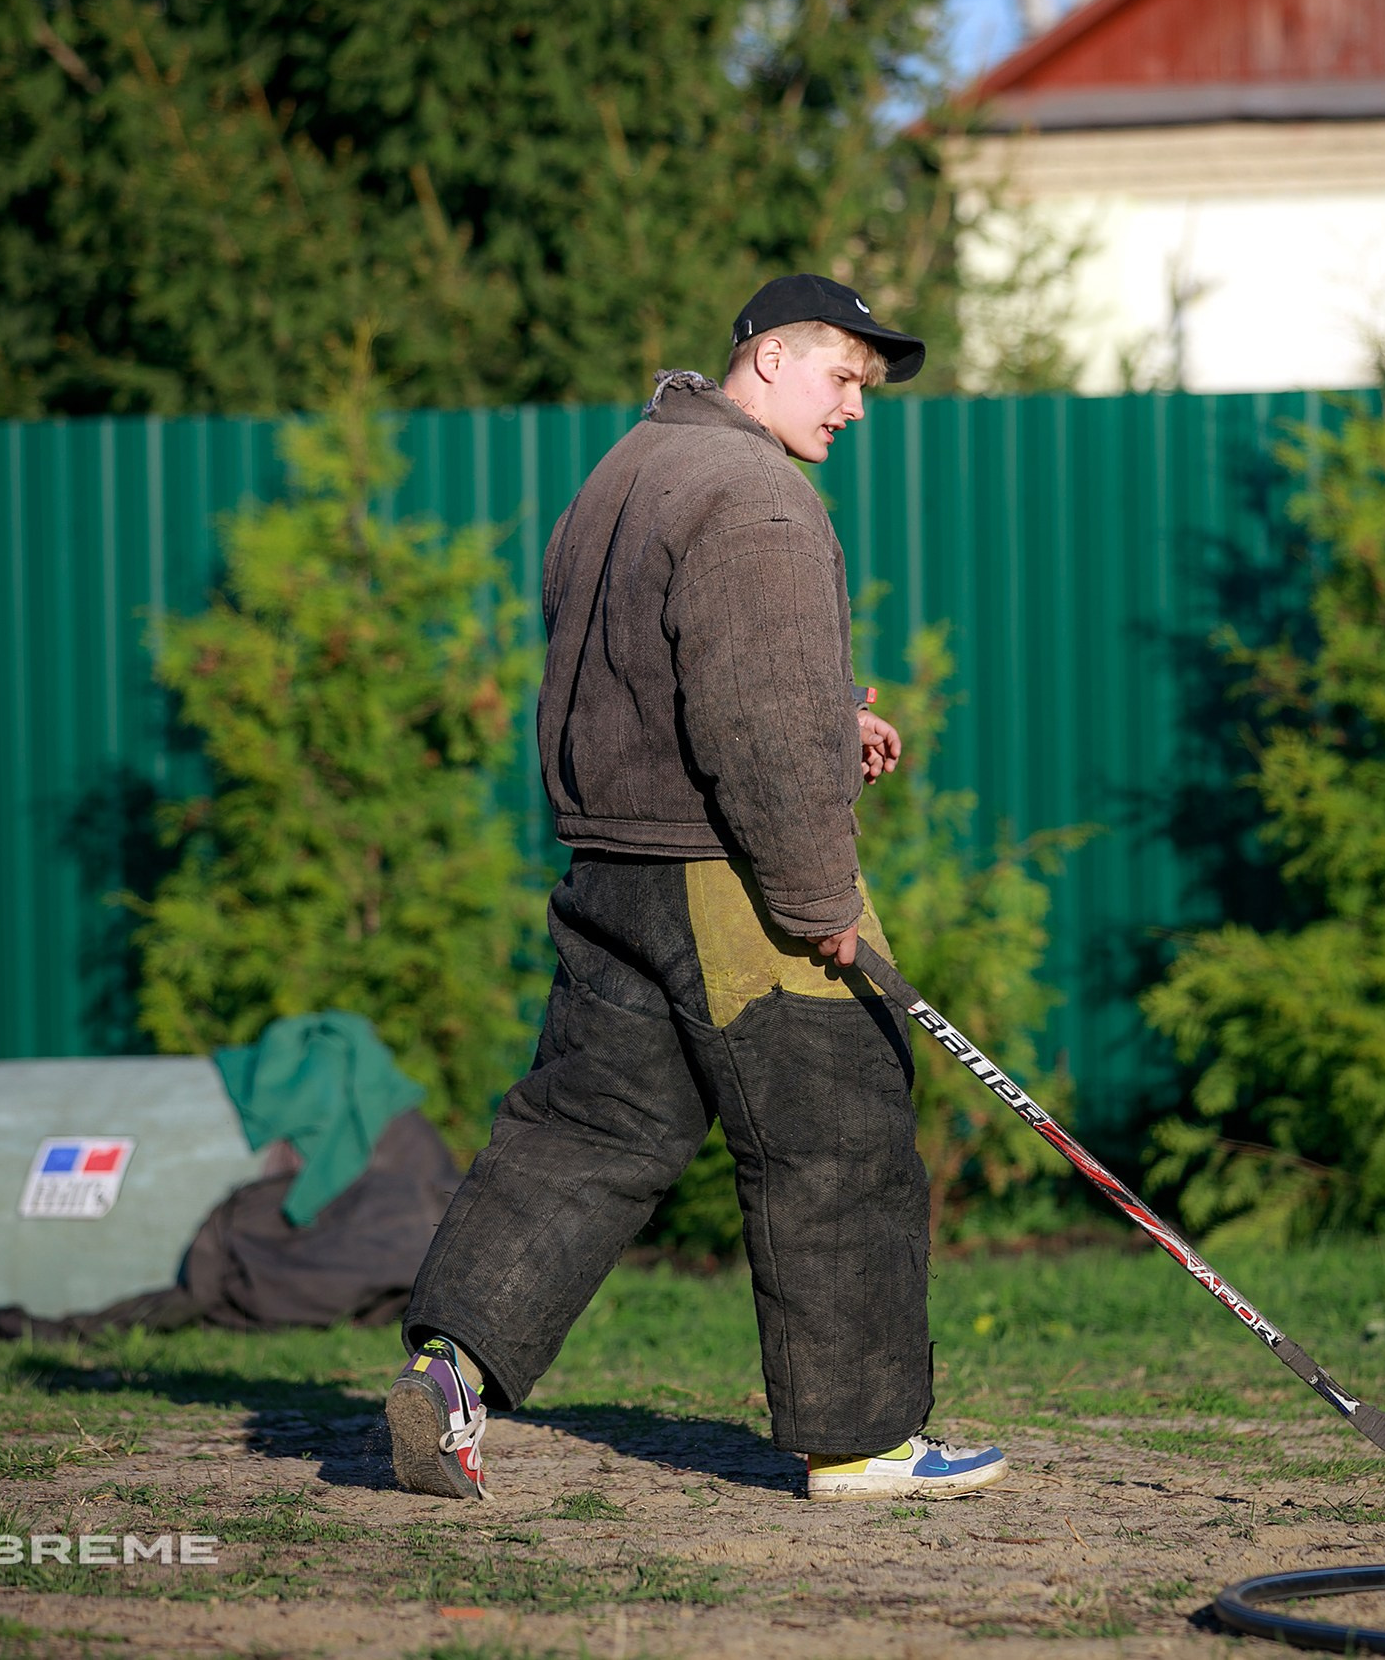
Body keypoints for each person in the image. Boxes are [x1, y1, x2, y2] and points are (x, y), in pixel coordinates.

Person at [386, 275, 1009, 1502]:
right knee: (840, 1126)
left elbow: (662, 670)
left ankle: (448, 1372)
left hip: (611, 870)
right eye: (842, 379)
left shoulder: (628, 471)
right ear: (769, 360)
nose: (855, 411)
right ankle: (862, 1439)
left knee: (585, 1131)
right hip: (727, 877)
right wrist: (820, 892)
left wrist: (830, 722)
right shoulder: (759, 499)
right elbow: (753, 734)